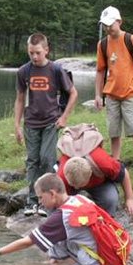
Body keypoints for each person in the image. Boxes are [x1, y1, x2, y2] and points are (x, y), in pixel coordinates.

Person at [0, 173, 107, 265]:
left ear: (52, 193)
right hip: (104, 253)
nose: (40, 203)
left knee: (49, 239)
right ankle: (67, 263)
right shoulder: (81, 199)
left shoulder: (62, 216)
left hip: (98, 263)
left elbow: (27, 241)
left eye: (41, 197)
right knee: (53, 238)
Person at [14, 33, 78, 216]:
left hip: (51, 122)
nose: (34, 57)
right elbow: (19, 99)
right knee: (32, 160)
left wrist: (64, 117)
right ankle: (32, 201)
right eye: (31, 53)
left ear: (46, 50)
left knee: (46, 159)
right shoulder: (23, 71)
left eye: (38, 53)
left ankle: (47, 201)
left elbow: (73, 93)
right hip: (31, 123)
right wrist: (17, 125)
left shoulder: (56, 70)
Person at [94, 6, 133, 175]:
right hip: (111, 93)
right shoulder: (103, 44)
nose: (107, 28)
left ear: (119, 22)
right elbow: (100, 70)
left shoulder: (131, 40)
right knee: (113, 130)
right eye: (104, 25)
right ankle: (116, 162)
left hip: (131, 91)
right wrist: (98, 95)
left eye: (110, 24)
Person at [57, 154, 133, 219]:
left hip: (99, 182)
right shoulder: (61, 177)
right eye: (75, 185)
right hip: (68, 186)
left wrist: (130, 199)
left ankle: (106, 221)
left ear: (90, 174)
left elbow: (124, 173)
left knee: (110, 199)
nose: (78, 188)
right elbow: (57, 202)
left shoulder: (103, 163)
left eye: (81, 185)